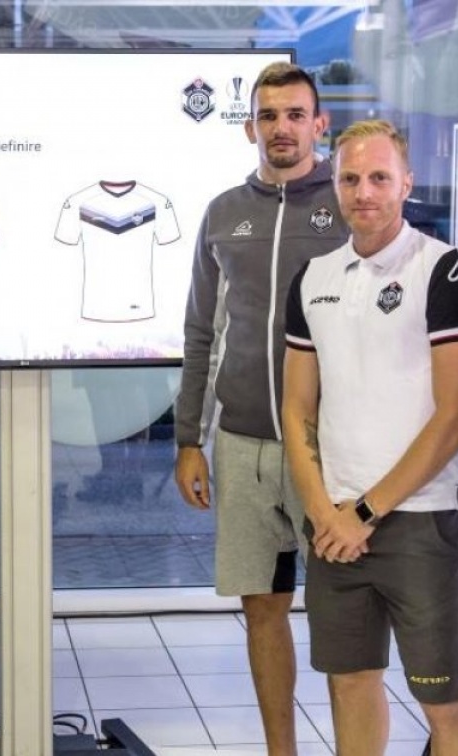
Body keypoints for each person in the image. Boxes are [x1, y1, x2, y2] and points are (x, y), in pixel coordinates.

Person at [281, 119, 458, 755]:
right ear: (334, 185)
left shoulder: (443, 270)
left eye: (378, 177)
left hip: (418, 521)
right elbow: (296, 408)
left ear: (406, 183)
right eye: (350, 178)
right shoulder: (313, 277)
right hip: (334, 523)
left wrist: (365, 512)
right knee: (349, 683)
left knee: (445, 702)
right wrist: (323, 511)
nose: (363, 191)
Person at [174, 61, 347, 753]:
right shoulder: (223, 213)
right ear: (250, 127)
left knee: (342, 616)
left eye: (295, 115)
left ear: (319, 123)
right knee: (263, 611)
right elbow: (200, 331)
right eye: (269, 116)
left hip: (331, 448)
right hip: (243, 445)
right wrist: (189, 439)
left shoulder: (350, 204)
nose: (282, 128)